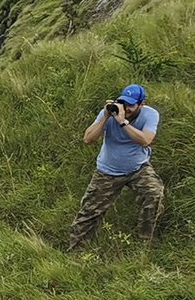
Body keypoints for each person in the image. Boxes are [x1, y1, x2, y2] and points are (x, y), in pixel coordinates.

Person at [66, 83, 164, 250]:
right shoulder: (110, 113)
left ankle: (146, 242)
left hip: (138, 169)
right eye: (124, 103)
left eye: (131, 105)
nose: (126, 108)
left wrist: (123, 122)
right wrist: (105, 116)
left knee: (155, 195)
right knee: (90, 211)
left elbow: (145, 140)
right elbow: (88, 139)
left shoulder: (150, 114)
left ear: (142, 104)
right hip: (108, 171)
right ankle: (77, 250)